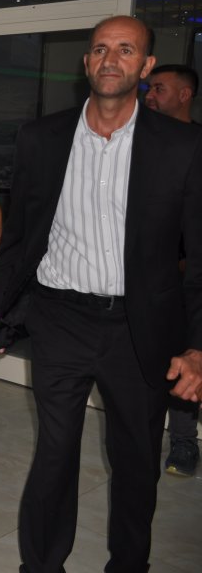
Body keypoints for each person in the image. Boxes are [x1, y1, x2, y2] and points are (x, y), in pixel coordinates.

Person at [0, 16, 202, 572]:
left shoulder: (183, 146)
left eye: (126, 50)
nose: (111, 59)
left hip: (141, 329)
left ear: (145, 66)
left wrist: (197, 346)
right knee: (54, 453)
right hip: (61, 318)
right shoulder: (41, 138)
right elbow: (20, 234)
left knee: (135, 461)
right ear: (86, 63)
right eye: (101, 49)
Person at [144, 63, 201, 476]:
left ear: (185, 95)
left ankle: (184, 443)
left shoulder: (198, 146)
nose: (149, 96)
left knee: (186, 356)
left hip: (188, 278)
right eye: (149, 88)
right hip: (144, 277)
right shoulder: (138, 143)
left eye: (159, 89)